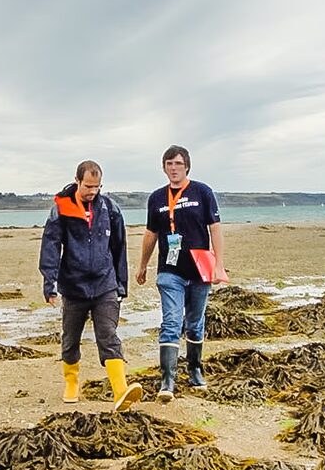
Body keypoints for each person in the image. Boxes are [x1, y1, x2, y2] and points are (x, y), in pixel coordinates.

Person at [39, 160, 142, 411]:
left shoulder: (110, 208)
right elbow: (51, 245)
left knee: (108, 335)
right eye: (88, 186)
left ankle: (121, 391)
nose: (92, 191)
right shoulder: (61, 209)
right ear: (77, 181)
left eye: (97, 187)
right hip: (73, 287)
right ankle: (71, 383)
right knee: (70, 339)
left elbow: (119, 247)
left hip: (105, 285)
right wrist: (49, 283)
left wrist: (121, 285)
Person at [135, 145, 228, 402]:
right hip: (169, 270)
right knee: (172, 322)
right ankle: (168, 379)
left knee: (195, 322)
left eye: (177, 163)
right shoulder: (156, 199)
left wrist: (219, 265)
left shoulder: (202, 192)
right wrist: (143, 265)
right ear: (164, 167)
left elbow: (215, 229)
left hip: (199, 269)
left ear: (186, 165)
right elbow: (151, 234)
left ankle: (195, 369)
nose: (173, 168)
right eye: (169, 164)